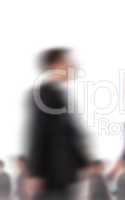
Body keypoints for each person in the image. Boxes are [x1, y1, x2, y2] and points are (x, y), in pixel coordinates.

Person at [26, 48, 89, 200]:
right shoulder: (43, 95)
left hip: (64, 178)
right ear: (55, 65)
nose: (72, 66)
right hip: (51, 180)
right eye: (68, 62)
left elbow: (69, 136)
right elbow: (37, 134)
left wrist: (84, 163)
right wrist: (35, 173)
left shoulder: (59, 95)